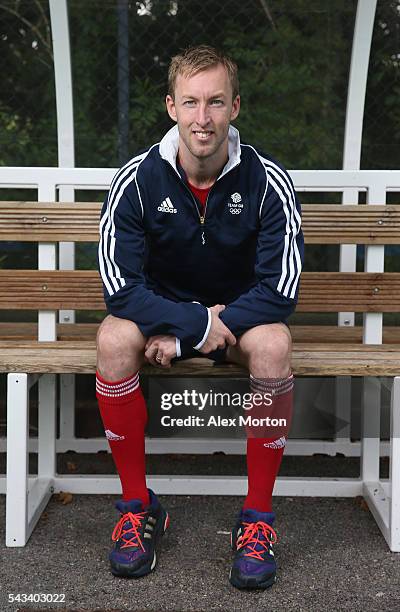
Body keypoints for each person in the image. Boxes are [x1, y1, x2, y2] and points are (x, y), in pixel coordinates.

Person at [96, 44, 303, 589]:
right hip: (164, 314)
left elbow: (280, 291)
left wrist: (208, 327)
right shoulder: (137, 180)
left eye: (215, 102)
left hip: (241, 316)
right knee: (115, 339)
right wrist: (190, 324)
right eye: (191, 102)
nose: (202, 118)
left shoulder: (267, 181)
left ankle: (257, 521)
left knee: (276, 344)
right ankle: (136, 509)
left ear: (235, 107)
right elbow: (120, 289)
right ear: (171, 106)